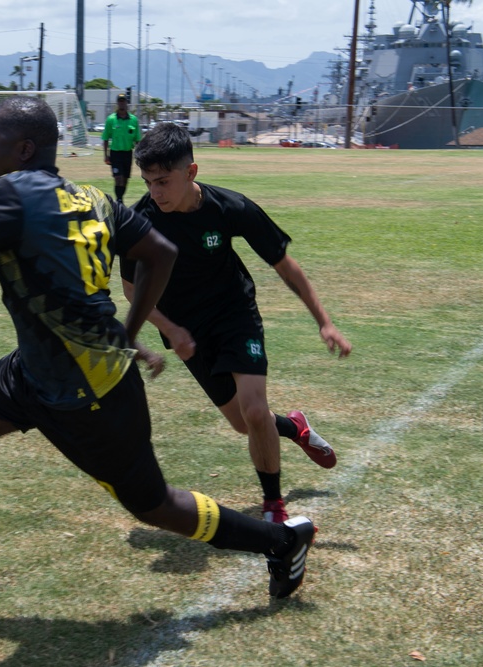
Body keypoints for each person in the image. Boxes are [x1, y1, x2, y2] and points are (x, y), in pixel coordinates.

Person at [0, 97, 317, 620]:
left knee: (154, 505)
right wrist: (127, 333)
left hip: (89, 391)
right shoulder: (92, 197)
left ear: (23, 149)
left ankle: (280, 542)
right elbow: (160, 253)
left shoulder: (10, 195)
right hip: (33, 371)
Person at [120, 122, 352, 525]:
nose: (155, 193)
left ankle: (273, 507)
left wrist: (325, 322)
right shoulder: (139, 221)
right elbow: (130, 290)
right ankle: (295, 427)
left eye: (163, 181)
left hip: (234, 314)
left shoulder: (229, 207)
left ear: (191, 172)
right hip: (186, 332)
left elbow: (285, 266)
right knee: (244, 424)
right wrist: (171, 329)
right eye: (148, 183)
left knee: (255, 411)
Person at [101, 93, 142, 205]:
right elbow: (105, 138)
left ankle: (120, 199)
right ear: (117, 103)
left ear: (126, 103)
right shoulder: (111, 119)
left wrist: (139, 155)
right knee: (118, 178)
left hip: (127, 154)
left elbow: (137, 140)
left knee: (125, 180)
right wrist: (106, 155)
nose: (122, 103)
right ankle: (119, 201)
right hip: (115, 154)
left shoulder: (133, 120)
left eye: (123, 101)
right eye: (120, 101)